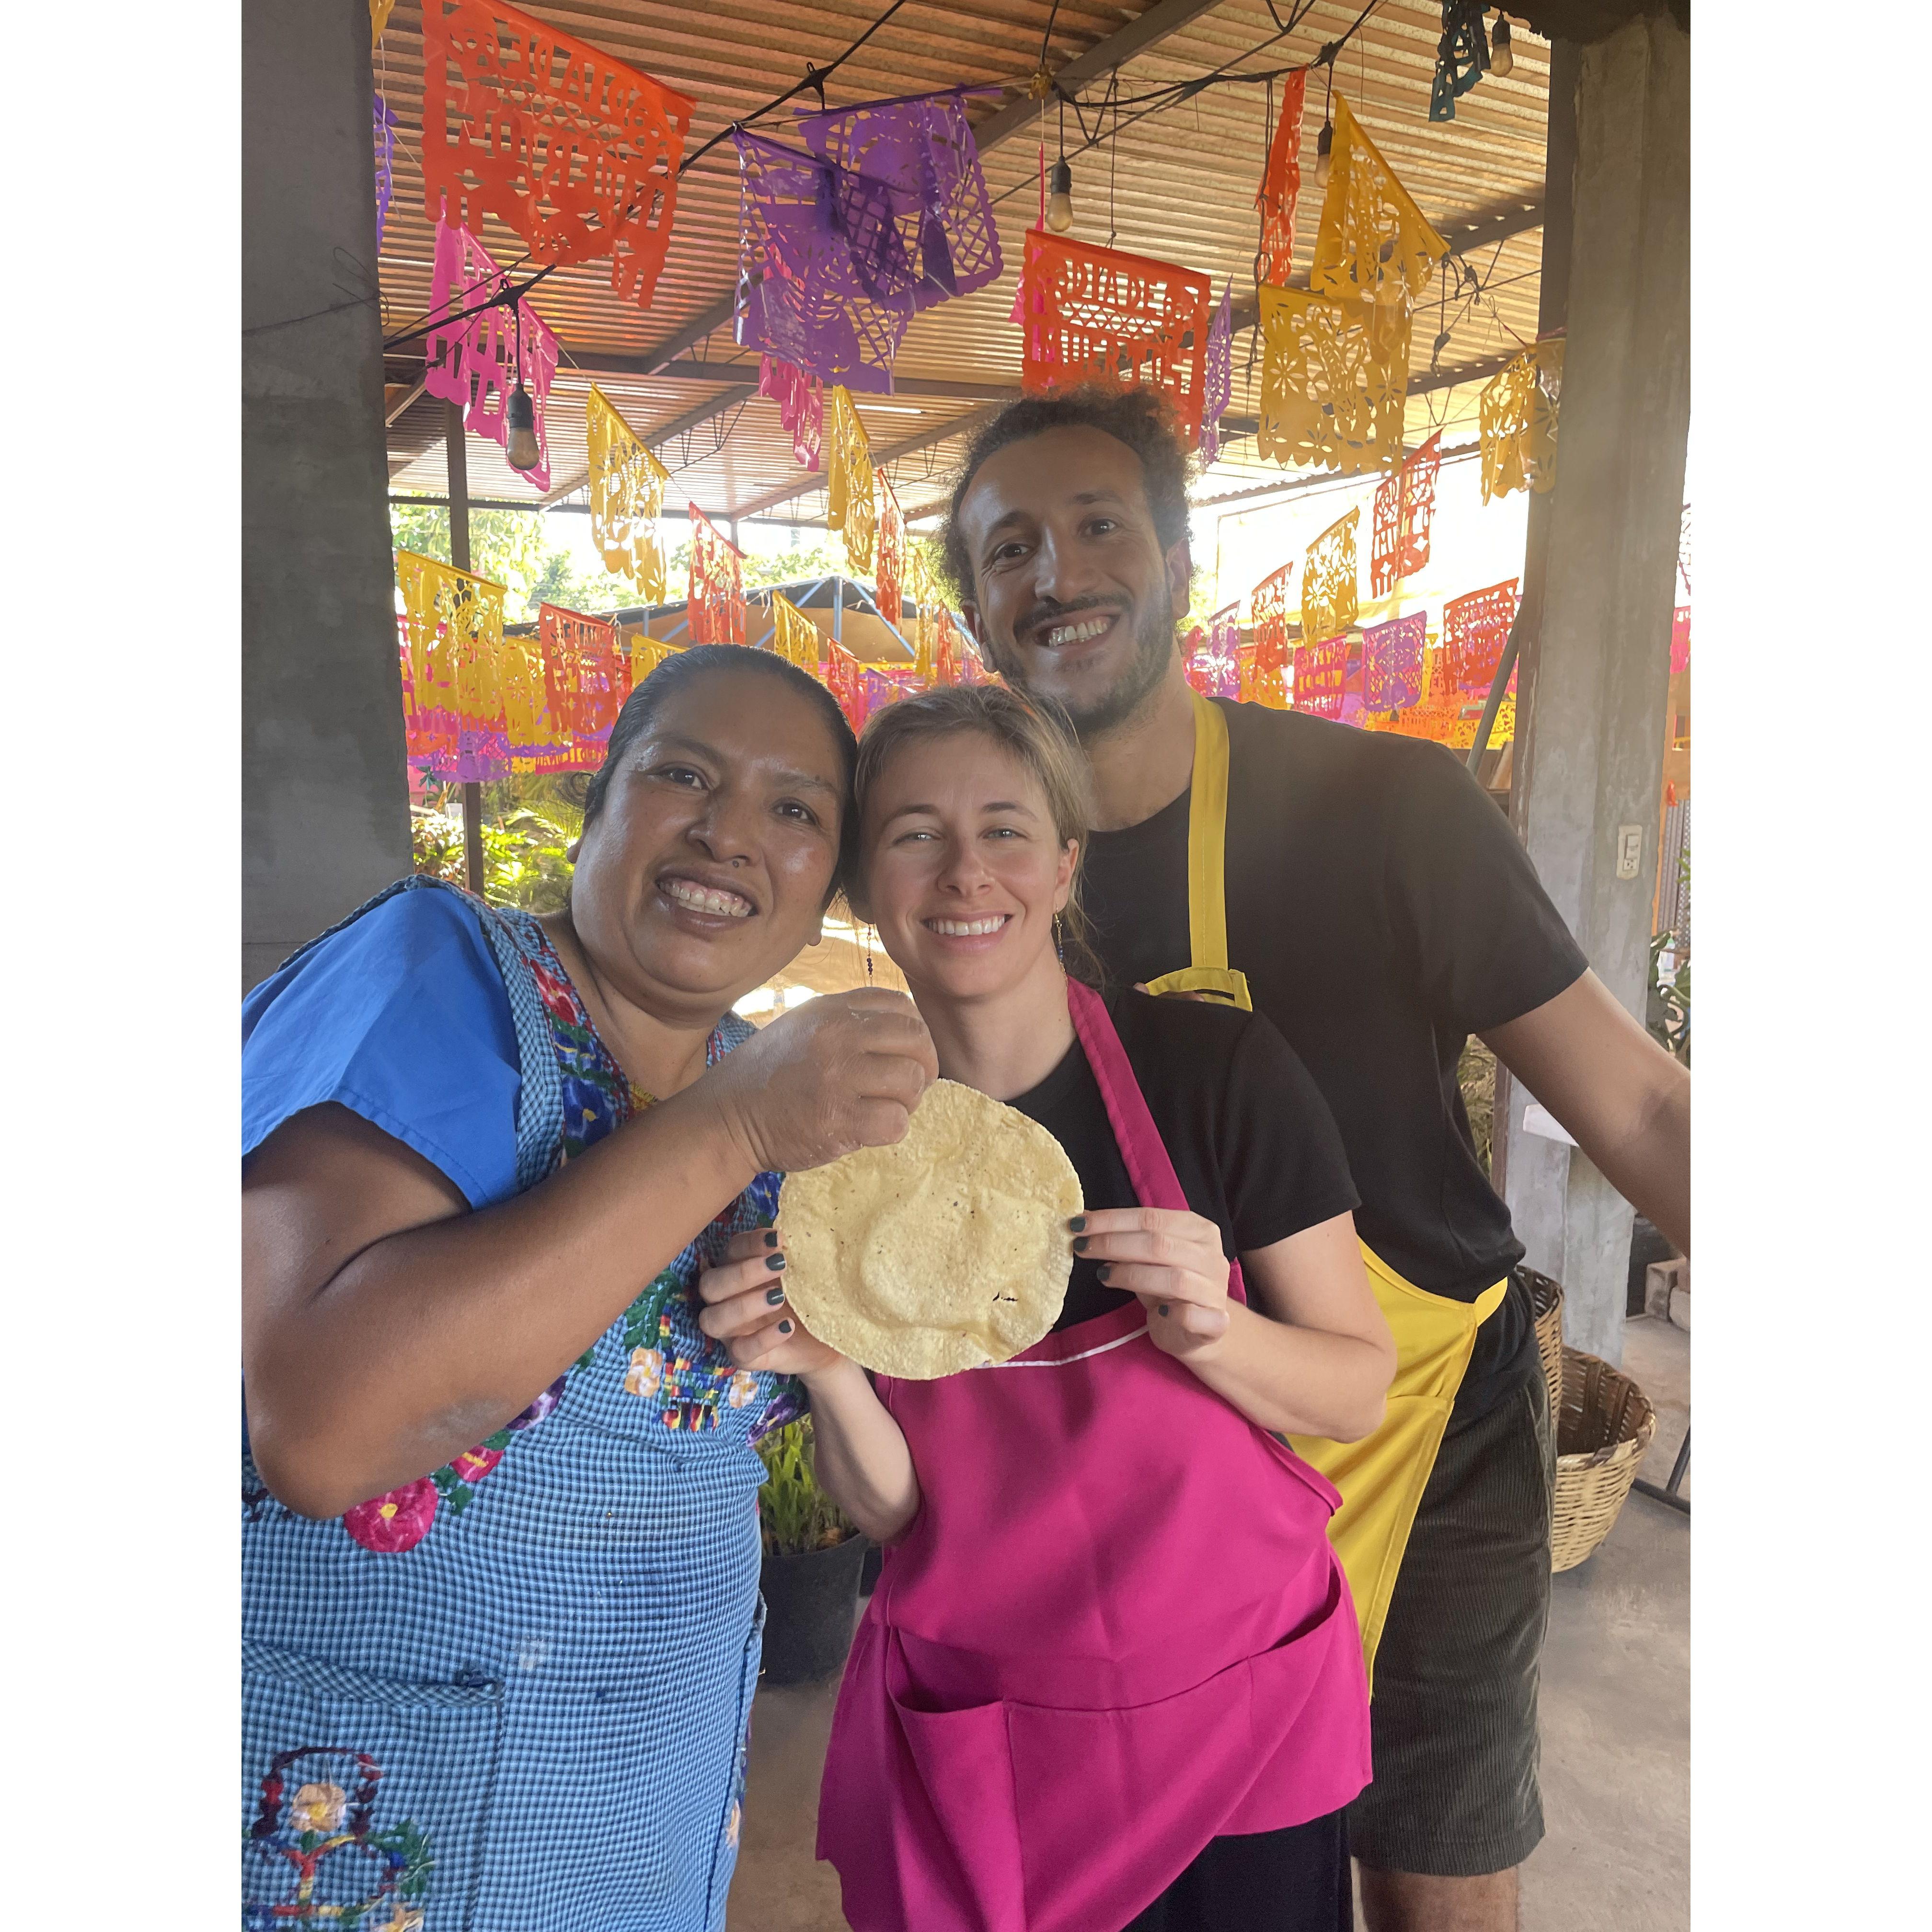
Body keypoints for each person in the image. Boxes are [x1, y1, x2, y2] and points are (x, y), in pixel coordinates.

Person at [931, 387, 1693, 1932]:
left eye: (1097, 526)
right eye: (1010, 548)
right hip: (1152, 1435)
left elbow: (1644, 1111)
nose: (1058, 573)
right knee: (1187, 1869)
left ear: (1179, 560)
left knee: (1434, 1860)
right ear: (976, 611)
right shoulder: (979, 881)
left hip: (1429, 1414)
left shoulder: (1386, 811)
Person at [240, 645, 939, 1932]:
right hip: (383, 1833)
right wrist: (731, 1127)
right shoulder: (437, 973)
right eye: (685, 774)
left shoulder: (764, 1096)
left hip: (644, 1829)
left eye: (795, 810)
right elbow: (324, 1433)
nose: (730, 833)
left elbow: (848, 1478)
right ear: (599, 800)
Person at [699, 684, 1397, 1932]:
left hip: (1245, 1725)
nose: (968, 872)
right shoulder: (839, 1155)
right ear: (866, 887)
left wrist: (1216, 1331)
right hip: (994, 1736)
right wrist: (831, 1366)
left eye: (1007, 829)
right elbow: (896, 1516)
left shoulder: (1217, 1075)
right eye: (915, 833)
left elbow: (1355, 1390)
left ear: (1067, 865)